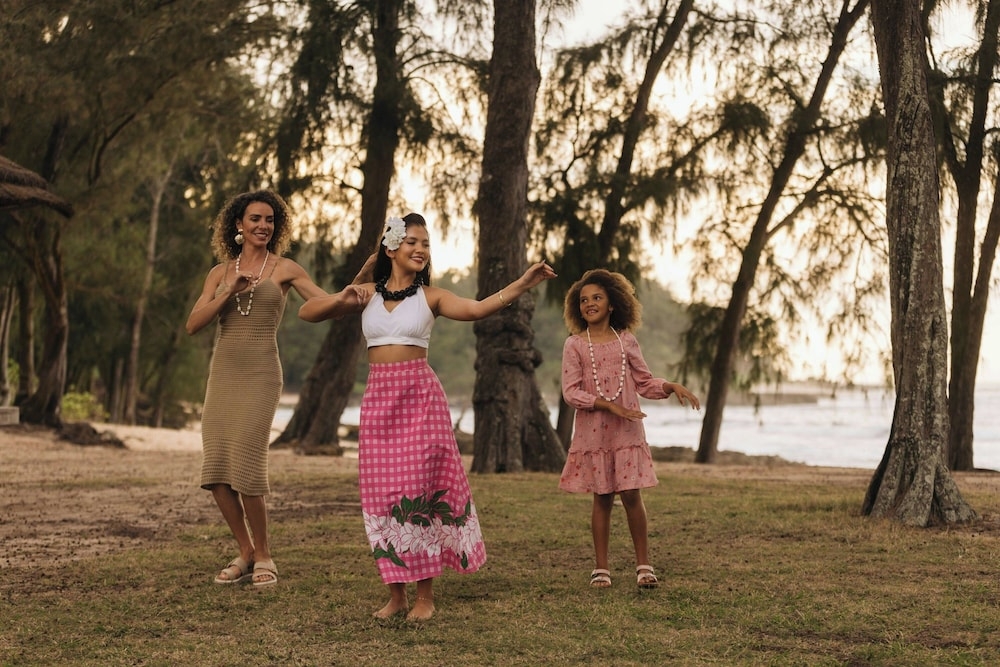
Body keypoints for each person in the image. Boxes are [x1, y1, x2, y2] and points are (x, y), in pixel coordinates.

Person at [299, 212, 556, 621]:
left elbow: (477, 309)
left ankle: (425, 595)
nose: (421, 250)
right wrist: (355, 282)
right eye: (412, 242)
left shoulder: (431, 297)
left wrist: (523, 283)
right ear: (391, 248)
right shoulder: (365, 295)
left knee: (419, 493)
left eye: (425, 244)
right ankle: (396, 594)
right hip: (379, 401)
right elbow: (308, 312)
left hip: (420, 399)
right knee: (384, 496)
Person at [185, 190, 340, 588]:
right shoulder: (219, 273)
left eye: (270, 220)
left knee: (247, 468)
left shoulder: (285, 269)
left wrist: (358, 289)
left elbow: (325, 302)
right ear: (238, 224)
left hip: (261, 375)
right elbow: (193, 324)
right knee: (216, 471)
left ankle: (265, 553)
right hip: (223, 375)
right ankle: (246, 551)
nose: (263, 226)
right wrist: (228, 291)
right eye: (255, 218)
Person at [558, 268, 700, 590]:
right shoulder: (575, 345)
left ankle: (644, 565)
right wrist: (609, 406)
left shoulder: (626, 341)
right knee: (602, 497)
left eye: (597, 298)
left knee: (632, 494)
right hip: (594, 433)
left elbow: (644, 383)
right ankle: (601, 568)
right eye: (584, 300)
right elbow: (571, 392)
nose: (589, 304)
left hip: (626, 432)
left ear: (612, 304)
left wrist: (669, 386)